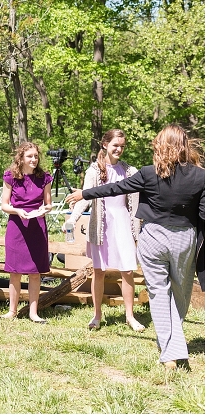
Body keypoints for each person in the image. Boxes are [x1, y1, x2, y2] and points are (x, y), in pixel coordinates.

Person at [66, 124, 204, 370]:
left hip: (152, 238)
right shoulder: (200, 176)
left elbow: (116, 188)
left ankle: (170, 351)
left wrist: (85, 194)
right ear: (184, 145)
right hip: (184, 239)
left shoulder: (148, 173)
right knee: (180, 294)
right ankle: (172, 350)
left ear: (161, 146)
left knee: (159, 294)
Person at [63, 129, 143, 331]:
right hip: (101, 225)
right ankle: (97, 315)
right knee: (98, 271)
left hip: (123, 222)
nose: (119, 149)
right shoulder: (94, 171)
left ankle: (130, 316)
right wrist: (72, 219)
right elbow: (84, 199)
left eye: (122, 146)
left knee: (127, 270)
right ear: (105, 144)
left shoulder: (130, 171)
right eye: (116, 145)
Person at [0, 142, 53, 323]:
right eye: (29, 156)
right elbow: (4, 205)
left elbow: (48, 204)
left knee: (35, 272)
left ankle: (33, 312)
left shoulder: (45, 177)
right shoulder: (10, 176)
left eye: (36, 156)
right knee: (15, 271)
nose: (33, 159)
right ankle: (12, 311)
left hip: (37, 225)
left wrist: (45, 210)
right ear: (21, 158)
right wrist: (17, 211)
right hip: (17, 225)